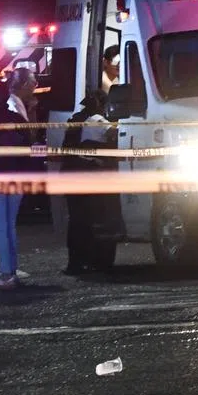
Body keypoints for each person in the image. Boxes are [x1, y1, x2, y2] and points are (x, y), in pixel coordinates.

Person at [0, 81, 33, 289]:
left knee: (0, 227)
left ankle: (6, 273)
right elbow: (29, 146)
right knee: (10, 226)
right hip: (16, 177)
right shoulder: (16, 119)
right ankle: (12, 271)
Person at [61, 89, 116, 275]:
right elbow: (116, 134)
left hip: (70, 174)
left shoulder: (76, 119)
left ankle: (75, 262)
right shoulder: (98, 121)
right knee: (92, 218)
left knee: (77, 220)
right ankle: (93, 261)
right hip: (87, 176)